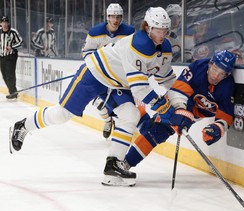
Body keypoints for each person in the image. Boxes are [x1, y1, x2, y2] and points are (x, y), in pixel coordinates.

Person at [9, 7, 175, 187]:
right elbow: (139, 89)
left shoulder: (164, 48)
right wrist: (162, 106)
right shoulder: (140, 44)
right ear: (148, 28)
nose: (162, 34)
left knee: (131, 115)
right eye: (158, 29)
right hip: (95, 74)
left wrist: (179, 100)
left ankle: (113, 167)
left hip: (116, 83)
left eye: (165, 29)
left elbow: (167, 79)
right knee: (61, 114)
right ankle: (23, 126)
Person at [123, 50, 236, 177]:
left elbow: (226, 115)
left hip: (193, 114)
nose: (216, 76)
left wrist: (216, 128)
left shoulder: (227, 86)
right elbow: (178, 90)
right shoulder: (198, 67)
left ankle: (140, 115)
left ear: (227, 75)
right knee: (157, 133)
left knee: (149, 130)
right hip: (177, 102)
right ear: (210, 64)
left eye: (222, 74)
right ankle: (125, 164)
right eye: (215, 69)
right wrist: (180, 110)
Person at [82, 3, 135, 139]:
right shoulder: (95, 32)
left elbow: (134, 52)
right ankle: (107, 121)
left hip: (119, 76)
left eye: (118, 17)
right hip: (100, 75)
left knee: (121, 104)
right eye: (112, 17)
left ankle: (118, 126)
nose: (115, 20)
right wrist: (95, 67)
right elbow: (87, 52)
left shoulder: (129, 32)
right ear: (108, 17)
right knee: (99, 103)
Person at [0, 16, 23, 100]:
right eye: (3, 22)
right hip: (2, 56)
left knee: (10, 73)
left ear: (8, 23)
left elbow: (20, 42)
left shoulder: (13, 32)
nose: (5, 24)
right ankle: (12, 91)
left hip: (11, 56)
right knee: (4, 75)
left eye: (6, 22)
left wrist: (12, 47)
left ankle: (13, 92)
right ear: (0, 23)